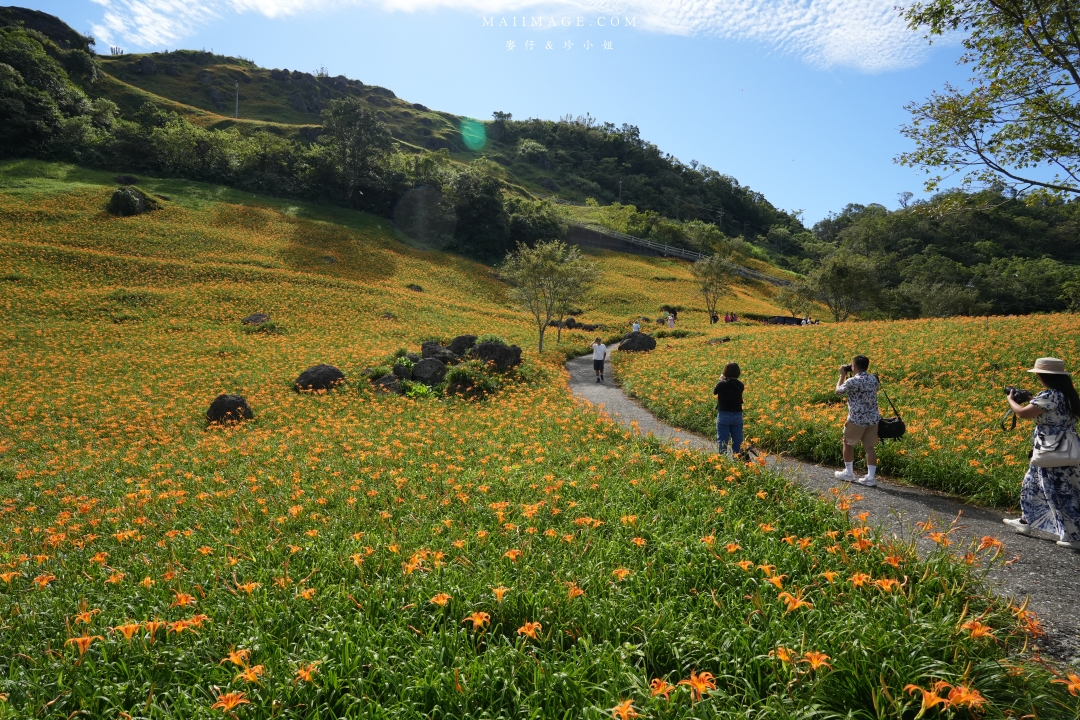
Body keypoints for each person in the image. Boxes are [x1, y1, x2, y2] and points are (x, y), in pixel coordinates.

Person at [1002, 357, 1080, 549]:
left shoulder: (1050, 395)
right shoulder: (1067, 394)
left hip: (1051, 449)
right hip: (1065, 446)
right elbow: (1050, 411)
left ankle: (1074, 537)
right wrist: (1031, 399)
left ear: (1042, 375)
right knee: (1033, 483)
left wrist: (1011, 400)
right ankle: (1025, 520)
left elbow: (1022, 413)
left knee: (1059, 491)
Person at [834, 355, 881, 487]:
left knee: (847, 442)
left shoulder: (852, 381)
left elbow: (838, 391)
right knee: (869, 447)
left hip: (857, 419)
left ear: (853, 367)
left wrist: (842, 376)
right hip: (873, 419)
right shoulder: (874, 379)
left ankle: (849, 473)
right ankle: (870, 477)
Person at [713, 362, 744, 459]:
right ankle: (737, 461)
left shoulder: (722, 384)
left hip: (724, 415)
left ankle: (722, 462)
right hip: (737, 416)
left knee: (722, 441)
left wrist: (721, 380)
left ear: (725, 372)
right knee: (737, 441)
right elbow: (732, 386)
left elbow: (715, 391)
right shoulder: (740, 385)